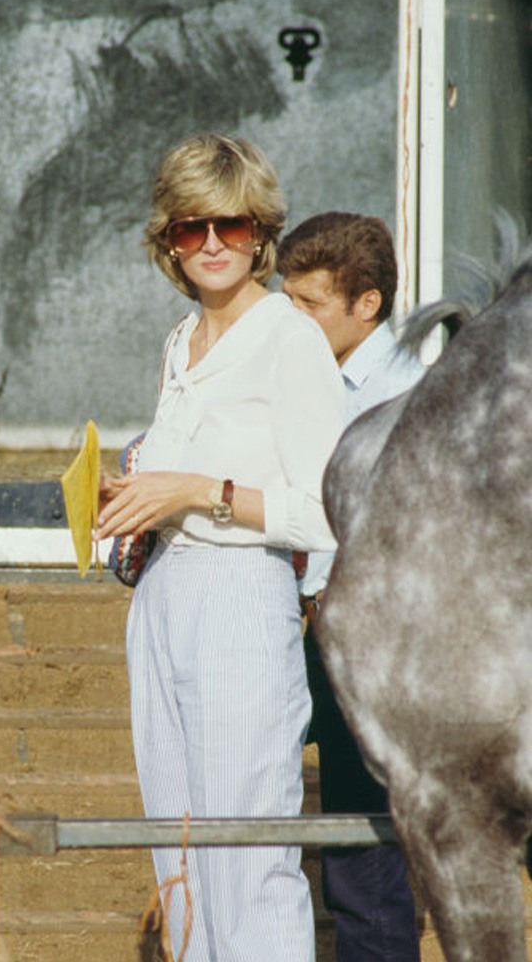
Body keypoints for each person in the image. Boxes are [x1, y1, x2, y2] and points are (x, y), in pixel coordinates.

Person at [95, 134, 345, 962]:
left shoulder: (290, 338)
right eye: (190, 227)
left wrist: (199, 492)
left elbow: (328, 514)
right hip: (164, 594)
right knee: (179, 855)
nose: (210, 245)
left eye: (230, 228)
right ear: (168, 237)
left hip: (242, 594)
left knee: (248, 854)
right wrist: (138, 496)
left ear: (260, 233)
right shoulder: (180, 342)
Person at [278, 211, 425, 962]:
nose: (292, 318)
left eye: (310, 303)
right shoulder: (312, 377)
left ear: (367, 304)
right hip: (314, 620)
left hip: (372, 637)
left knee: (366, 843)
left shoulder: (404, 393)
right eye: (288, 300)